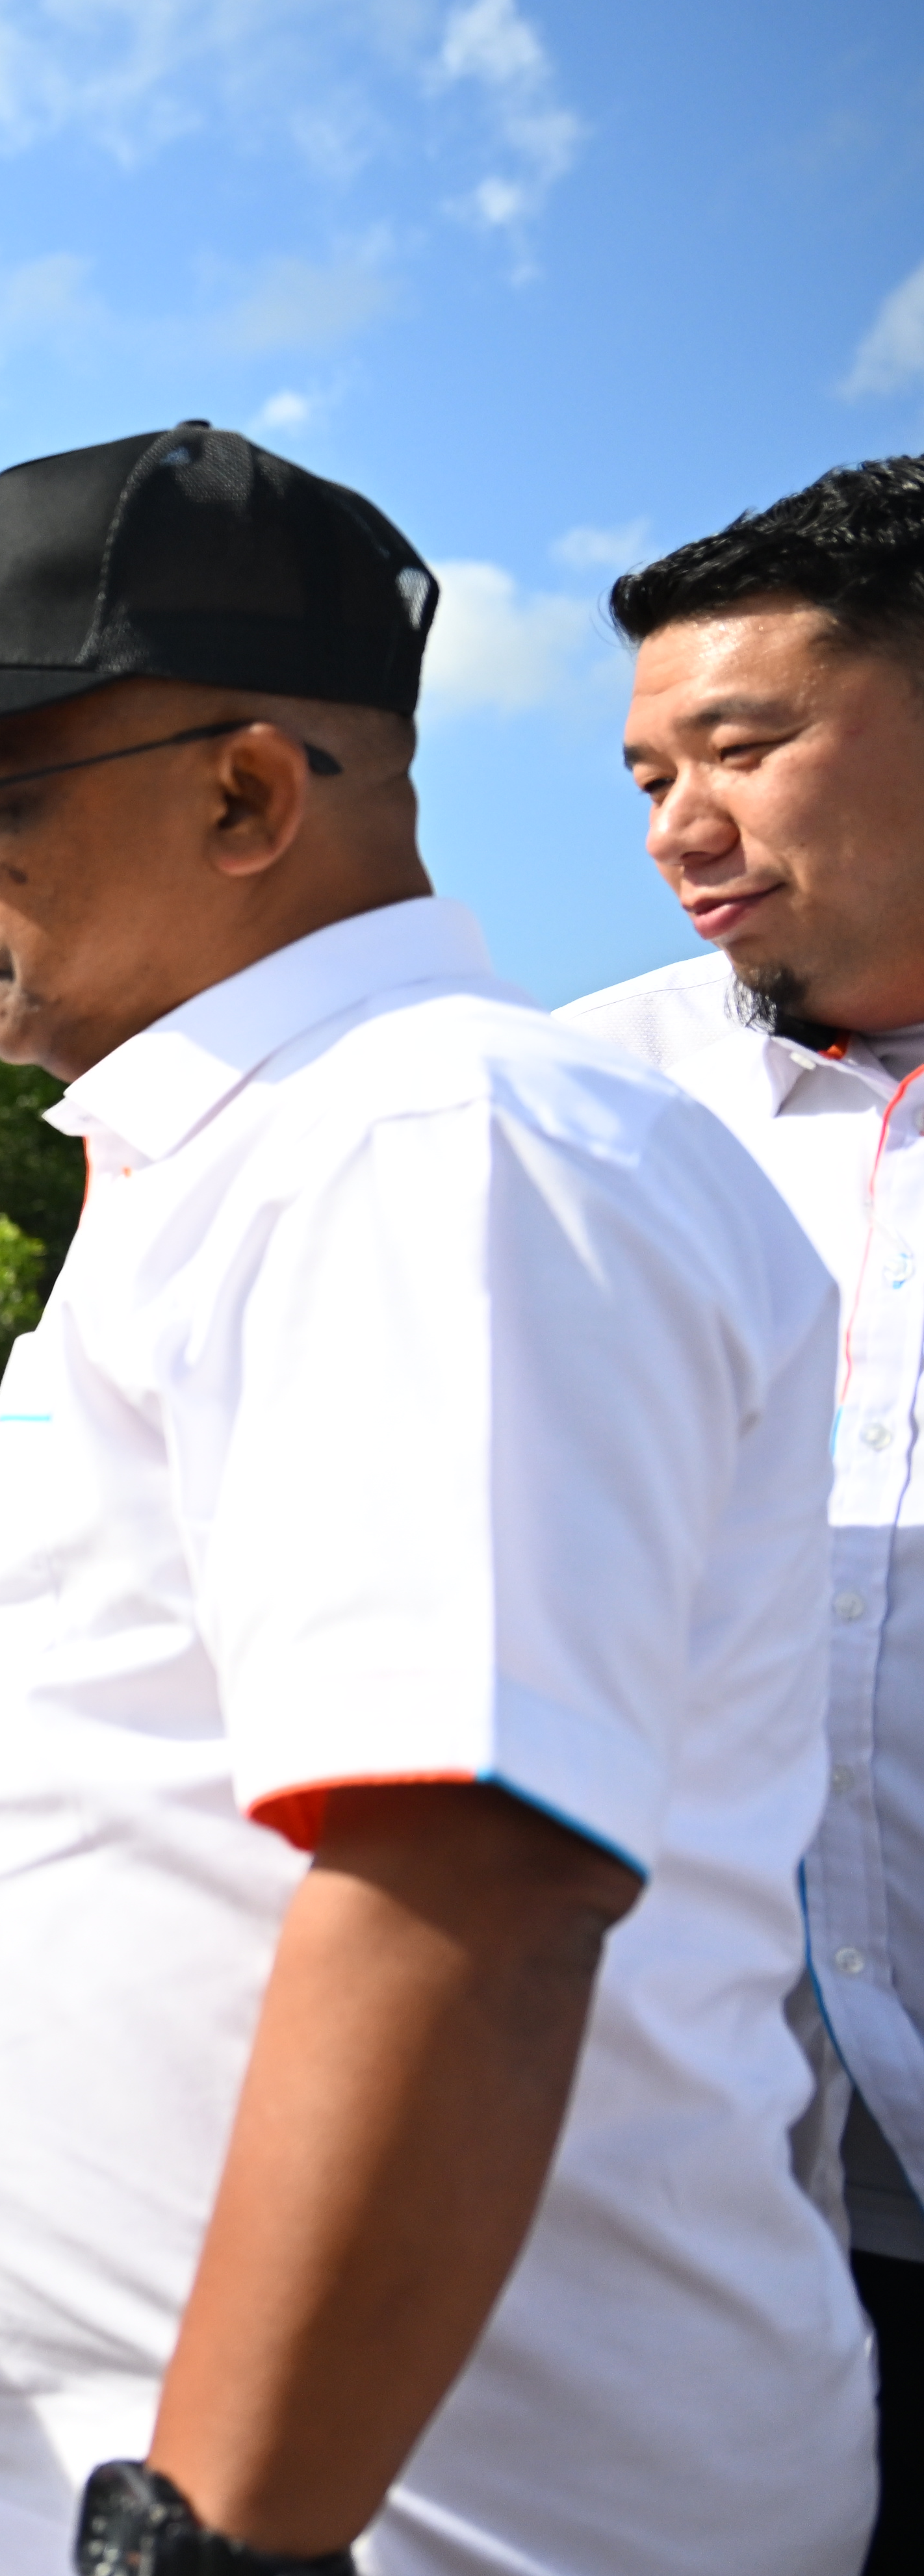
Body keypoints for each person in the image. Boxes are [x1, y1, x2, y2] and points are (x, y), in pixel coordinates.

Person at [0, 422, 872, 2576]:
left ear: (247, 791)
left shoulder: (425, 1141)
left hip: (395, 2521)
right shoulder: (270, 1148)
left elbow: (466, 1881)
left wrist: (220, 2533)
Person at [559, 455, 924, 2570]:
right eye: (640, 772)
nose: (678, 825)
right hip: (723, 2203)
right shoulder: (583, 1103)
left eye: (744, 747)